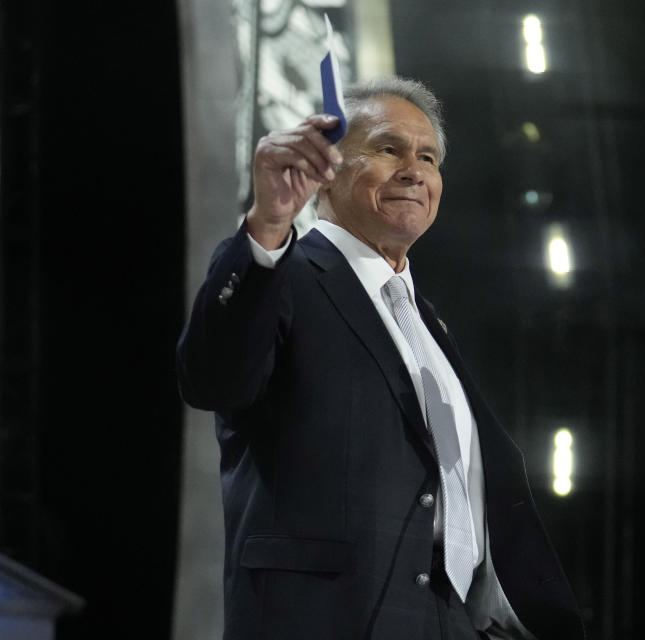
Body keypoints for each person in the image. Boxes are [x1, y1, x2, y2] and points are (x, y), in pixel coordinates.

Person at [177, 76, 584, 640]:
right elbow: (213, 380)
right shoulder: (283, 276)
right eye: (388, 148)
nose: (414, 170)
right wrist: (268, 226)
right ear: (326, 166)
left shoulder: (429, 325)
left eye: (428, 157)